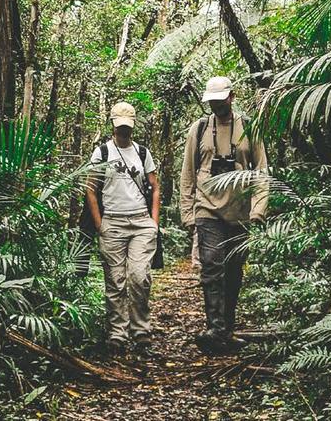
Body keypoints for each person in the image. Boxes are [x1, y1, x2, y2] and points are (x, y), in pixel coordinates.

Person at [179, 76, 268, 355]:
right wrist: (188, 213)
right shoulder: (200, 128)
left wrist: (258, 208)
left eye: (220, 100)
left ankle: (226, 329)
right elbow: (188, 173)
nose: (216, 106)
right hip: (207, 208)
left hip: (239, 211)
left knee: (233, 271)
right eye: (212, 102)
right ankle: (216, 328)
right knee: (211, 266)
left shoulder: (249, 128)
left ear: (232, 97)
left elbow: (262, 171)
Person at [86, 102, 162, 355]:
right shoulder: (102, 153)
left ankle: (141, 332)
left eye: (127, 128)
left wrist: (154, 223)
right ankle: (117, 334)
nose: (123, 132)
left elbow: (155, 186)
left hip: (140, 222)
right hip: (113, 223)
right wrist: (100, 224)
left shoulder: (142, 152)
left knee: (139, 277)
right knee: (115, 282)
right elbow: (90, 188)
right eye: (120, 127)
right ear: (112, 124)